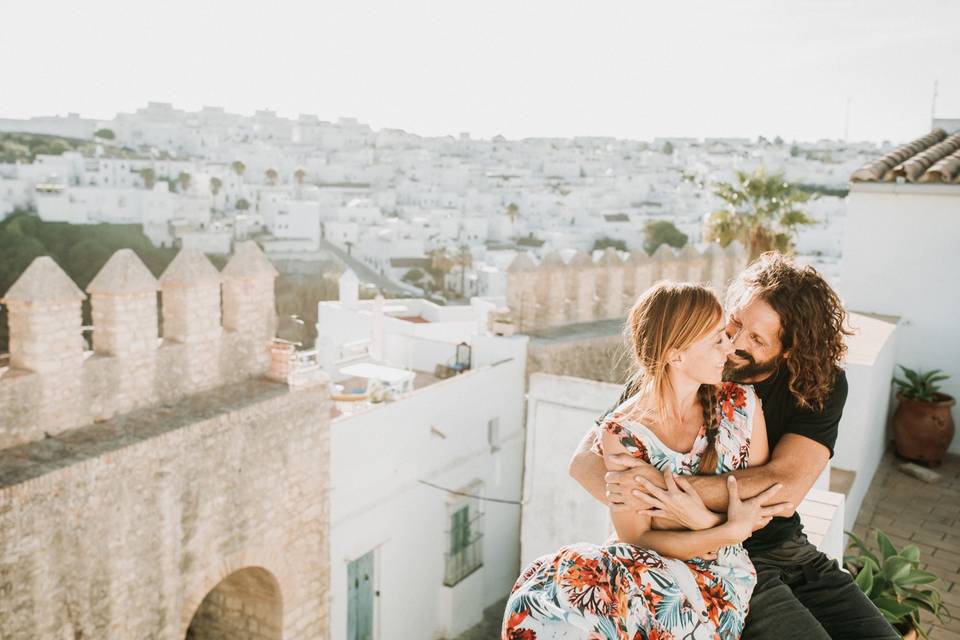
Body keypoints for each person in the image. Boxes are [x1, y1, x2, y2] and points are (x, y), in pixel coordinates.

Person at [570, 253, 900, 640]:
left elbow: (782, 489)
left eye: (757, 338)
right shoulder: (684, 367)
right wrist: (685, 522)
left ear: (791, 349)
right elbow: (586, 462)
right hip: (704, 555)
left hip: (784, 544)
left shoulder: (817, 385)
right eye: (736, 322)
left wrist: (661, 487)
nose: (733, 343)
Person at [502, 282, 786, 639]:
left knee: (581, 581)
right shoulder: (622, 433)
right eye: (717, 339)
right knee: (551, 587)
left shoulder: (742, 406)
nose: (730, 348)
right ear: (676, 354)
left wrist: (710, 525)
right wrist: (726, 528)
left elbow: (759, 509)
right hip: (644, 569)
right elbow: (638, 540)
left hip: (716, 580)